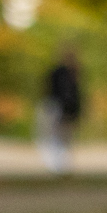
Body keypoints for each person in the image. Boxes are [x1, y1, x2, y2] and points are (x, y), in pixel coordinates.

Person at [39, 44, 84, 173]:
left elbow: (76, 97)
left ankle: (63, 165)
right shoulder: (58, 73)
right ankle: (56, 166)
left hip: (67, 111)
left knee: (66, 138)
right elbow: (52, 92)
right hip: (57, 108)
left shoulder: (75, 73)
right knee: (55, 137)